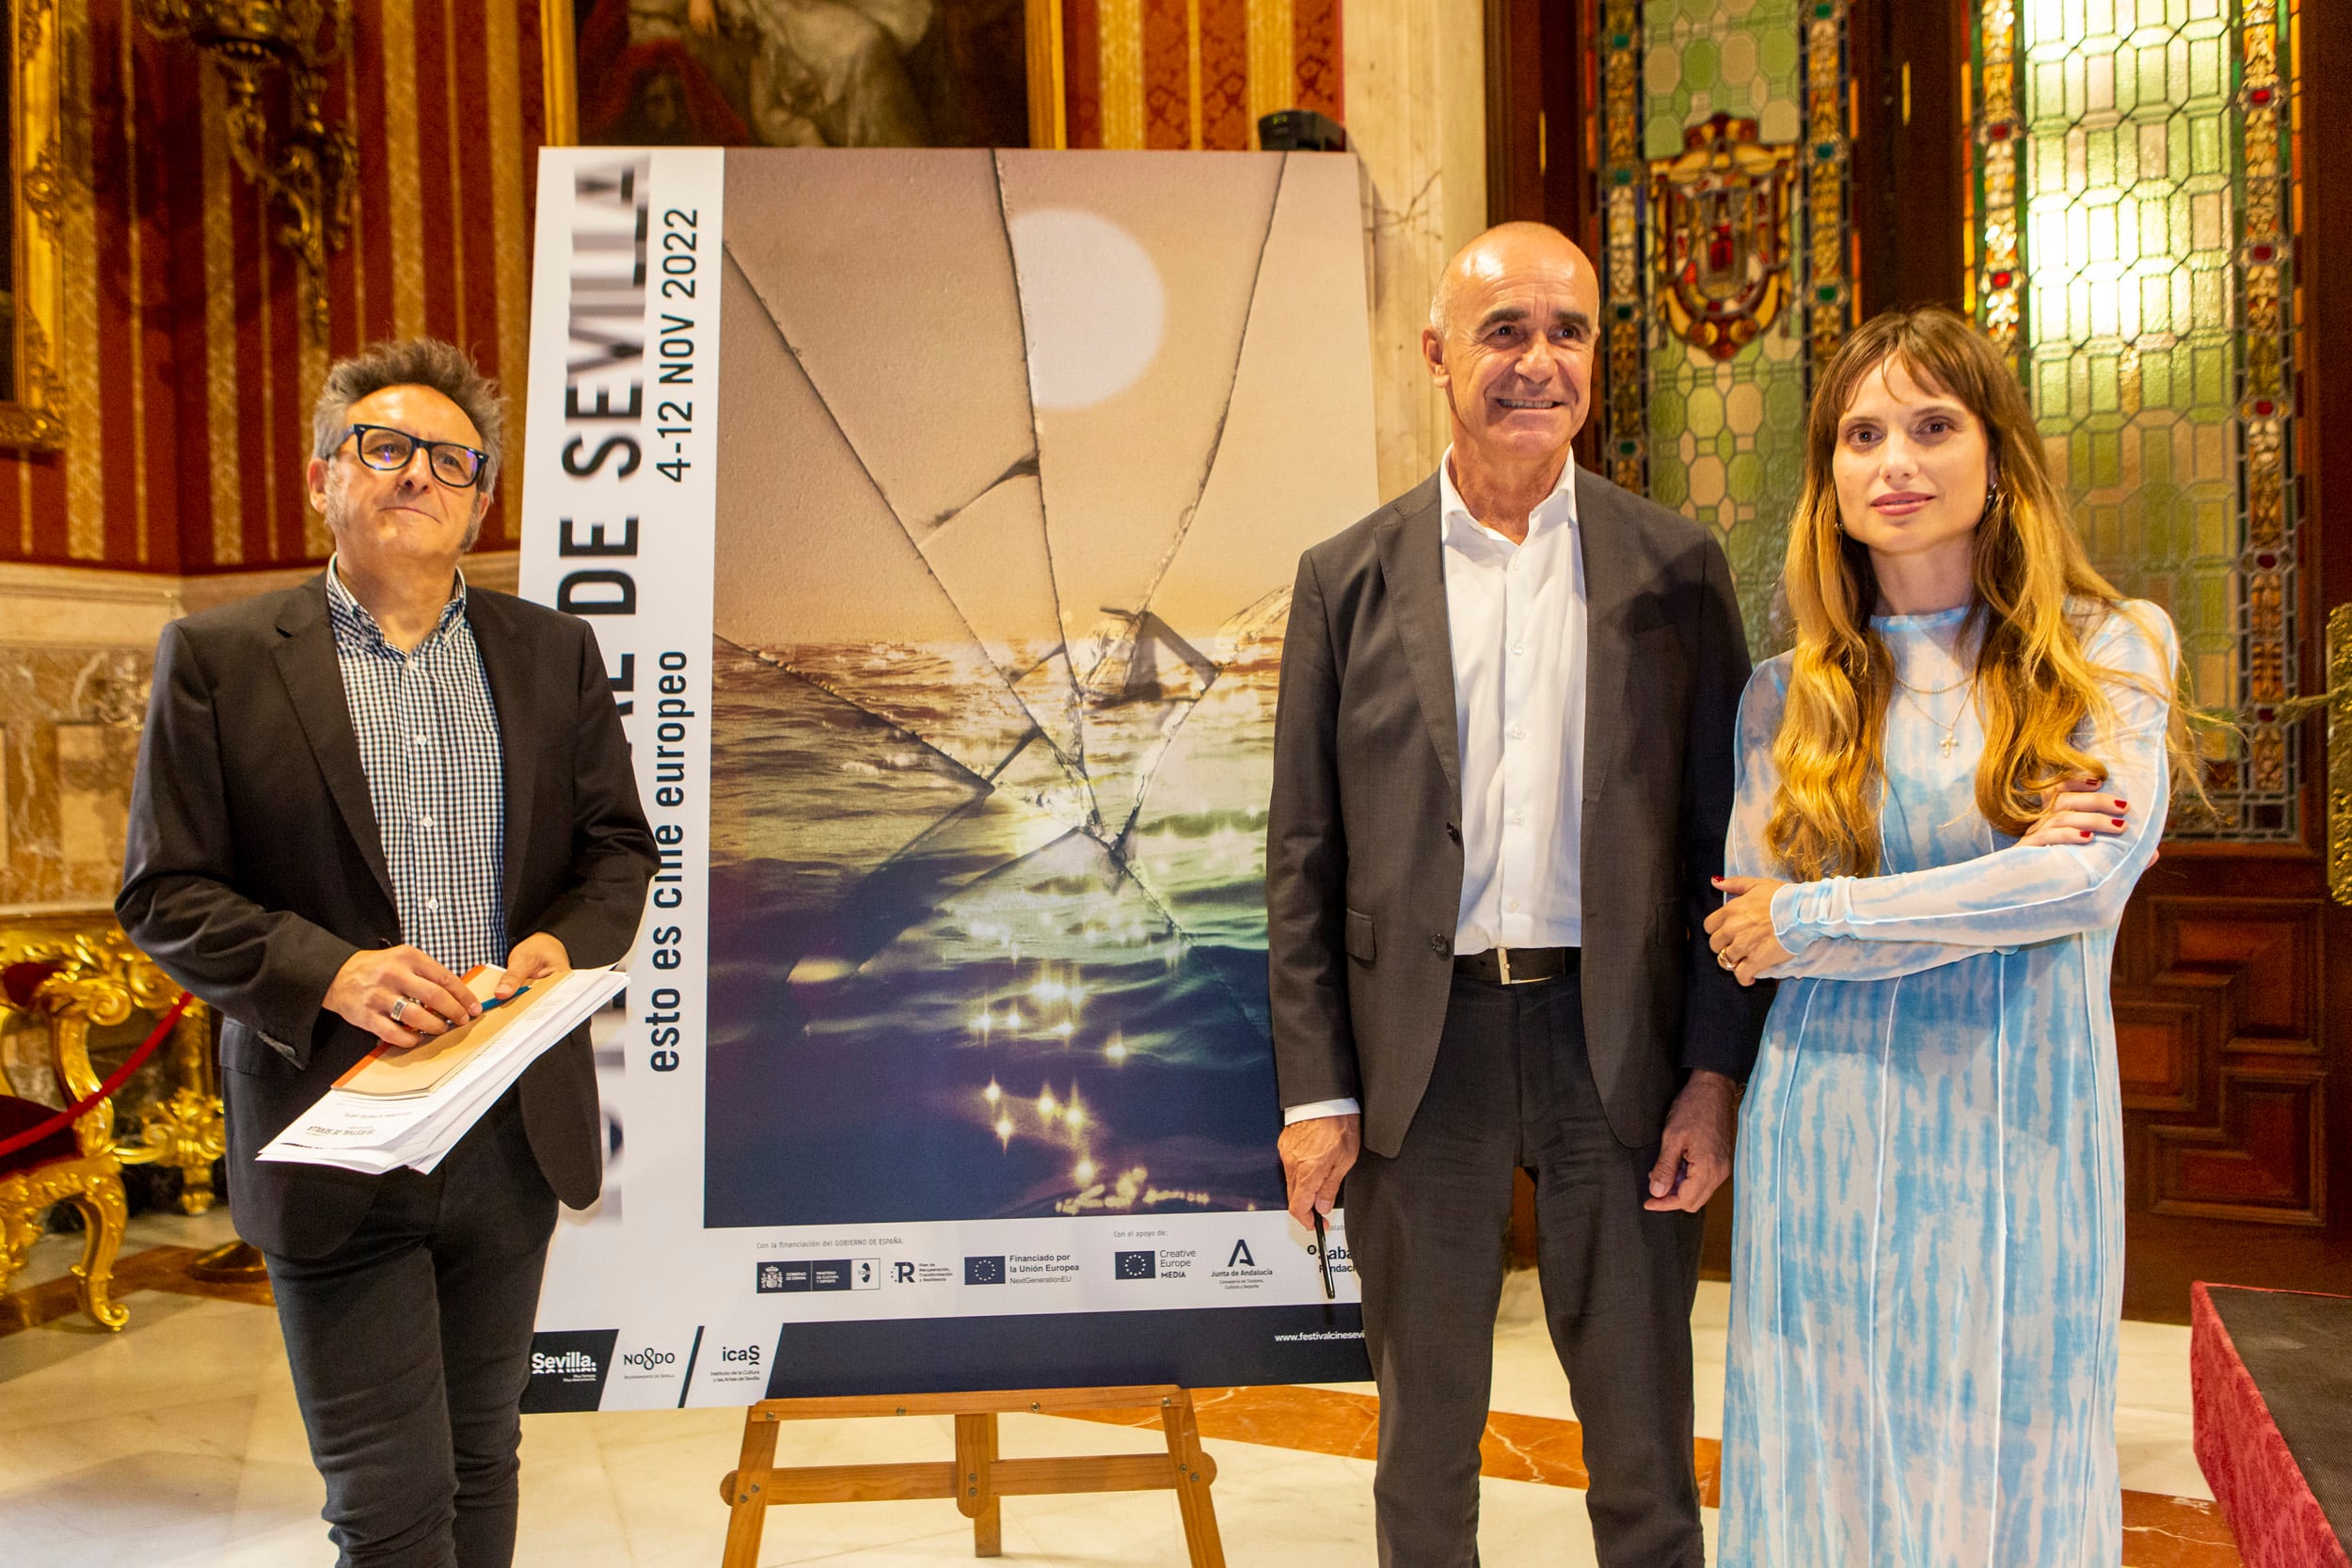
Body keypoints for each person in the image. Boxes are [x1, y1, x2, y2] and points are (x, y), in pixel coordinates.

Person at [1266, 221, 1769, 1567]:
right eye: (1504, 332)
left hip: (1621, 1047)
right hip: (1421, 1063)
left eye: (1568, 332)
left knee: (1647, 1445)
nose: (1539, 362)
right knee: (1423, 1451)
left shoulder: (1678, 568)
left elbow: (1736, 847)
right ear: (1436, 354)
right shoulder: (1343, 579)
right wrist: (1318, 1096)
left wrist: (1715, 1078)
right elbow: (1304, 858)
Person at [117, 340, 657, 1568]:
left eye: (451, 461)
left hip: (510, 1132)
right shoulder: (219, 660)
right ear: (324, 479)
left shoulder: (549, 655)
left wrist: (558, 950)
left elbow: (619, 849)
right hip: (330, 1130)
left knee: (482, 1463)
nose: (417, 474)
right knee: (390, 1505)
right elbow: (163, 892)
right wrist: (333, 972)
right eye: (385, 448)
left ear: (480, 500)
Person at [1705, 305, 2180, 1565]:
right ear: (1830, 477)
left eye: (1931, 425)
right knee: (1825, 1454)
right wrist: (1999, 878)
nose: (1894, 461)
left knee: (2011, 1454)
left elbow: (2080, 891)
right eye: (1862, 434)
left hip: (2021, 1124)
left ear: (1995, 451)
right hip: (1825, 1134)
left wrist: (1824, 914)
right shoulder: (1785, 696)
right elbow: (1745, 939)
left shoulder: (2109, 651)